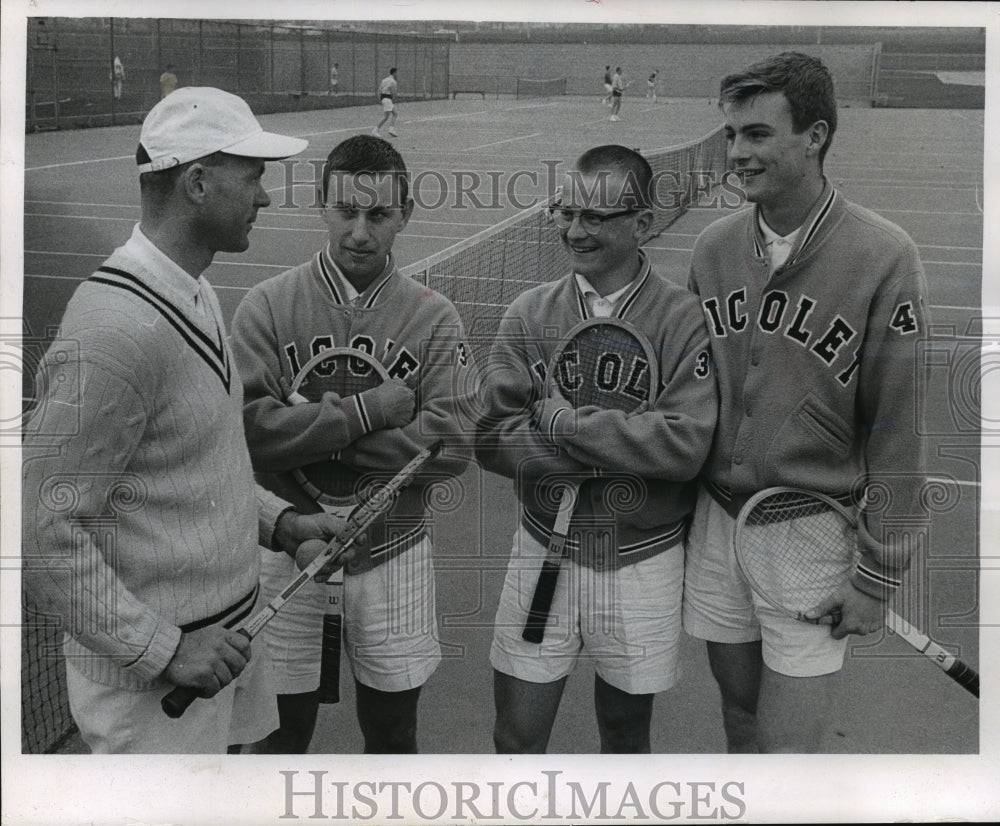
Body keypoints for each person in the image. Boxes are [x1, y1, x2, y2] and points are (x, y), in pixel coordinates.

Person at [21, 87, 350, 754]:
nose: (264, 196)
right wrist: (163, 648)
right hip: (157, 698)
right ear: (198, 182)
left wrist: (278, 524)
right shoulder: (115, 329)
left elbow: (198, 459)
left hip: (223, 651)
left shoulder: (195, 289)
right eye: (252, 174)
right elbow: (40, 524)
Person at [682, 52, 928, 753]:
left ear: (815, 136)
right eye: (731, 136)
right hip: (718, 523)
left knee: (788, 755)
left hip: (813, 532)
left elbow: (897, 427)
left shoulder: (885, 256)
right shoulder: (712, 248)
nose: (737, 153)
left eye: (757, 134)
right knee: (739, 725)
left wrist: (878, 576)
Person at [230, 134, 475, 754]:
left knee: (393, 735)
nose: (360, 232)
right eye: (346, 212)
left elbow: (450, 447)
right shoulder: (267, 305)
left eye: (379, 214)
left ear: (405, 214)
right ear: (322, 206)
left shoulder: (435, 317)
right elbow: (249, 434)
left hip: (393, 549)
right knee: (278, 739)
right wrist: (373, 411)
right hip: (287, 543)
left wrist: (311, 429)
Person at [476, 144, 717, 753]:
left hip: (643, 561)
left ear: (642, 223)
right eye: (566, 212)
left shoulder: (682, 318)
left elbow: (684, 446)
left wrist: (561, 424)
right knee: (516, 737)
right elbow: (491, 437)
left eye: (597, 217)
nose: (575, 231)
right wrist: (617, 442)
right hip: (540, 548)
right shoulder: (530, 313)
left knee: (626, 734)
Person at [373, 68, 398, 138]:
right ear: (394, 73)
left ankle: (391, 129)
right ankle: (375, 130)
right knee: (385, 117)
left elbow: (379, 90)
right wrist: (393, 100)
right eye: (396, 73)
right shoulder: (393, 81)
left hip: (384, 98)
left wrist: (379, 100)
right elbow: (393, 93)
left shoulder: (384, 80)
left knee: (395, 113)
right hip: (388, 99)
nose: (397, 75)